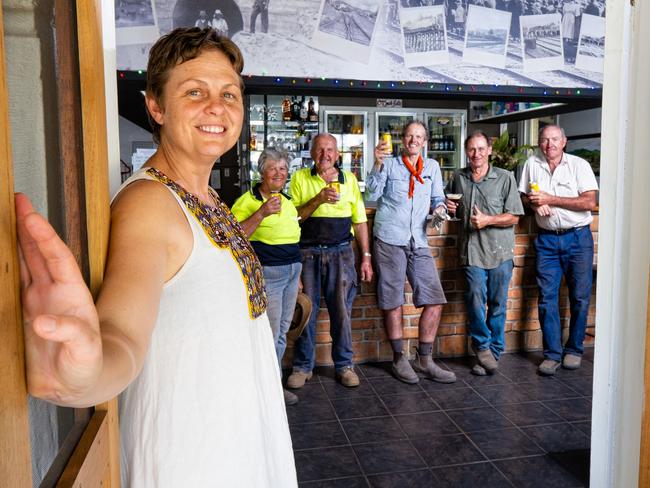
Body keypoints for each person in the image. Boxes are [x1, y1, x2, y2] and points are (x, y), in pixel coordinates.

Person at [16, 28, 297, 486]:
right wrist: (87, 374)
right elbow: (122, 333)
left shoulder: (206, 197)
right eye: (195, 92)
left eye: (230, 94)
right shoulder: (149, 203)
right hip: (193, 457)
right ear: (156, 106)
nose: (218, 107)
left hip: (241, 439)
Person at [365, 121, 456, 384]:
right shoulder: (391, 164)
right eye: (409, 136)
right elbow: (371, 192)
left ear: (425, 141)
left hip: (419, 239)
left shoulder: (432, 167)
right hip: (389, 239)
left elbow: (438, 198)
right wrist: (377, 163)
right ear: (402, 139)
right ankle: (398, 358)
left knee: (434, 299)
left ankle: (424, 359)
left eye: (419, 136)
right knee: (393, 300)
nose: (414, 140)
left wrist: (440, 209)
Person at [286, 133, 373, 389]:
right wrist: (319, 199)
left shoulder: (350, 180)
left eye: (330, 150)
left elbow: (360, 221)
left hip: (342, 253)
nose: (325, 154)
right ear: (312, 153)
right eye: (321, 149)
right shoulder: (301, 178)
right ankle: (303, 367)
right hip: (308, 254)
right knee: (306, 312)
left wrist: (366, 257)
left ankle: (344, 365)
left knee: (342, 313)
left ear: (337, 154)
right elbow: (295, 219)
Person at [518, 125, 598, 375]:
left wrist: (550, 199)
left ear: (564, 141)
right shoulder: (532, 164)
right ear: (539, 143)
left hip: (578, 239)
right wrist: (533, 203)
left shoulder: (579, 165)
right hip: (547, 241)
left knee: (580, 297)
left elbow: (589, 202)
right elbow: (521, 198)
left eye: (554, 139)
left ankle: (574, 350)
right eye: (544, 140)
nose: (549, 144)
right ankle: (552, 354)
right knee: (546, 299)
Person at [445, 131, 524, 375]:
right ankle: (482, 347)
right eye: (471, 150)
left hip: (500, 252)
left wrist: (488, 220)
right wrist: (449, 208)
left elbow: (514, 217)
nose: (476, 154)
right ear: (466, 151)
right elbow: (452, 208)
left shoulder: (505, 177)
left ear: (489, 150)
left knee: (498, 304)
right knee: (475, 300)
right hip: (471, 252)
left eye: (480, 149)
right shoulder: (458, 177)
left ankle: (493, 354)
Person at [231, 148, 301, 406]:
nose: (279, 173)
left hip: (293, 271)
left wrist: (298, 273)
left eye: (283, 169)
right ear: (262, 172)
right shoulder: (248, 201)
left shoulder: (288, 200)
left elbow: (292, 236)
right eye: (273, 168)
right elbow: (233, 238)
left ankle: (272, 385)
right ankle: (268, 390)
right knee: (269, 334)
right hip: (269, 274)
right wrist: (261, 213)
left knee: (283, 330)